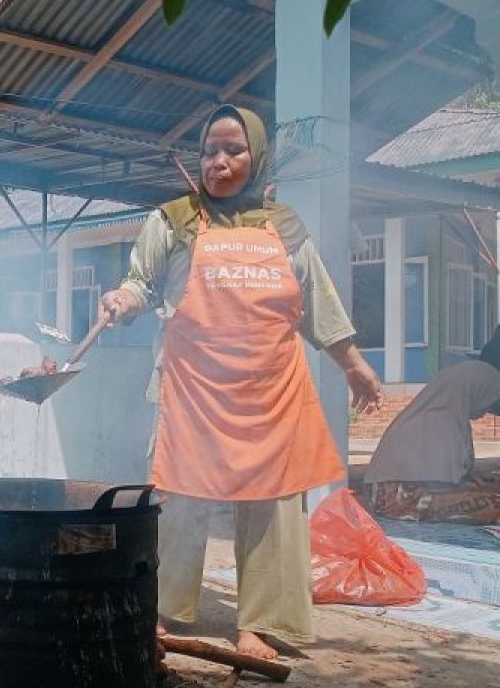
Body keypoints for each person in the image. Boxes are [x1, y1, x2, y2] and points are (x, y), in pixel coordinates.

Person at [96, 105, 382, 659]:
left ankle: (261, 623)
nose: (218, 162)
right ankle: (167, 610)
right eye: (208, 151)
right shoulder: (173, 218)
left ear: (258, 156)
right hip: (191, 391)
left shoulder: (287, 227)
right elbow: (140, 283)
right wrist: (122, 301)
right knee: (179, 500)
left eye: (233, 150)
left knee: (273, 506)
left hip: (272, 390)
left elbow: (317, 302)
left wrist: (352, 361)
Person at [364, 328, 500, 524]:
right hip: (401, 501)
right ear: (476, 392)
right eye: (488, 400)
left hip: (390, 495)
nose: (487, 409)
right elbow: (445, 484)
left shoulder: (441, 412)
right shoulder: (442, 423)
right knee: (493, 504)